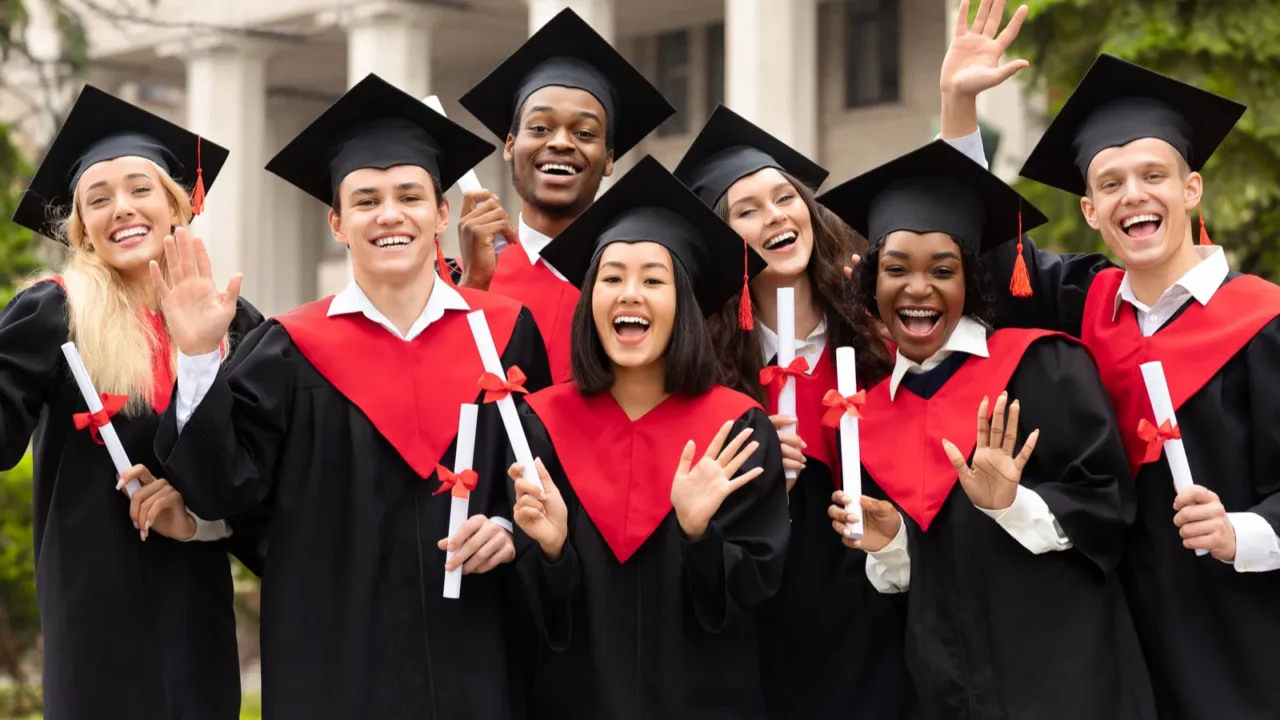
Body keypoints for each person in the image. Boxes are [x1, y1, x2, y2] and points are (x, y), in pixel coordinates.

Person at [152, 74, 551, 718]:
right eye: (365, 200)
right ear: (338, 223)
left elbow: (550, 469)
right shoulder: (288, 350)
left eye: (409, 196)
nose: (389, 214)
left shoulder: (503, 336)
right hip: (332, 666)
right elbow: (222, 487)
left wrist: (509, 527)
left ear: (442, 214)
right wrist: (198, 355)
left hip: (479, 653)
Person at [944, 47, 1280, 719]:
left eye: (1154, 174)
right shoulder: (1079, 300)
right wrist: (958, 106)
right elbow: (982, 251)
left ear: (1191, 190)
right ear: (1092, 211)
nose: (1133, 194)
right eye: (1110, 182)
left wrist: (1243, 531)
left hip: (1237, 636)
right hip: (1110, 637)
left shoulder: (1265, 321)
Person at [820, 139, 1156, 720]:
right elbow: (907, 593)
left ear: (970, 283)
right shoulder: (865, 420)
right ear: (871, 288)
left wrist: (1012, 505)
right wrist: (892, 545)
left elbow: (1110, 510)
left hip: (1074, 687)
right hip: (946, 694)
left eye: (943, 271)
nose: (918, 288)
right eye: (896, 269)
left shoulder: (1042, 366)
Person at [2, 85, 263, 719]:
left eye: (140, 189)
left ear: (178, 205)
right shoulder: (54, 312)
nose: (122, 208)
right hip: (92, 613)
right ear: (82, 228)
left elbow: (265, 477)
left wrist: (202, 519)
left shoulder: (235, 323)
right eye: (98, 199)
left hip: (195, 611)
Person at [506, 155, 790, 719]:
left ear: (683, 306)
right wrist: (555, 551)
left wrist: (698, 533)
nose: (629, 293)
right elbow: (522, 622)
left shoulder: (735, 429)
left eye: (653, 280)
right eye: (611, 278)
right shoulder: (539, 427)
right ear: (590, 301)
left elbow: (759, 597)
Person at [672, 104, 911, 719]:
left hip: (875, 625)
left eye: (785, 198)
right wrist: (748, 484)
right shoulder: (701, 374)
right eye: (746, 210)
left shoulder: (881, 339)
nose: (776, 216)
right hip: (758, 636)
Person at [452, 7, 674, 383]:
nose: (560, 143)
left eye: (585, 133)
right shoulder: (453, 279)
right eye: (539, 127)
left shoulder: (640, 290)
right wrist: (473, 284)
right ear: (510, 144)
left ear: (608, 160)